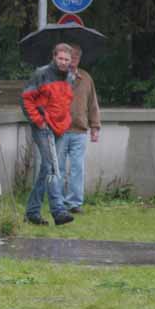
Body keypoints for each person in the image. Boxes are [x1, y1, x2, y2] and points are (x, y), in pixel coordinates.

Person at [20, 43, 76, 225]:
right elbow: (26, 99)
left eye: (67, 59)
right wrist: (39, 120)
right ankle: (58, 210)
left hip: (60, 127)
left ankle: (32, 212)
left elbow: (65, 103)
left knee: (46, 169)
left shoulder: (70, 77)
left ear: (71, 61)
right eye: (60, 58)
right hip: (43, 127)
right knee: (52, 167)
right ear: (54, 57)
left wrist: (65, 121)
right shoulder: (41, 74)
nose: (63, 62)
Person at [59, 44, 101, 214]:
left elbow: (93, 104)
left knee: (77, 167)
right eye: (72, 54)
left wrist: (95, 127)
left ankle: (74, 203)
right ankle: (58, 202)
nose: (75, 57)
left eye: (78, 55)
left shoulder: (86, 78)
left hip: (79, 130)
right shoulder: (57, 76)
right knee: (59, 168)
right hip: (60, 130)